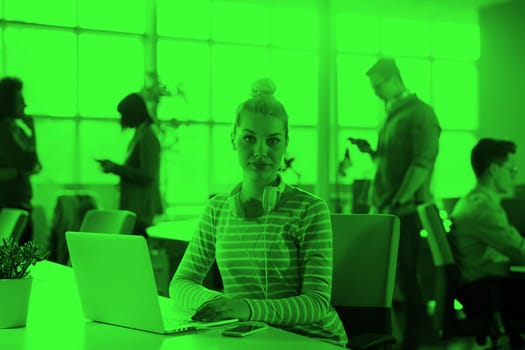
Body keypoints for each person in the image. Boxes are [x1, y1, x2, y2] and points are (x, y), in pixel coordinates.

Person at [169, 95, 348, 347]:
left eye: (273, 140)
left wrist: (243, 308)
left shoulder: (310, 209)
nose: (260, 151)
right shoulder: (217, 209)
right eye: (249, 138)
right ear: (233, 138)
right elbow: (181, 283)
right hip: (250, 338)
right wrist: (219, 305)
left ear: (286, 143)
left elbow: (316, 304)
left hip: (311, 340)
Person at [350, 58, 441, 350]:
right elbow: (389, 163)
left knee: (407, 278)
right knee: (391, 279)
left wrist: (399, 201)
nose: (375, 92)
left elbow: (422, 164)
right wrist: (371, 153)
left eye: (378, 86)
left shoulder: (421, 114)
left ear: (393, 79)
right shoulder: (392, 114)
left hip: (404, 212)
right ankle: (404, 338)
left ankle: (417, 341)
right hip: (388, 210)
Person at [450, 138, 525, 349]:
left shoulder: (475, 201)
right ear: (493, 169)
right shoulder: (483, 209)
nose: (514, 174)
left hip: (486, 287)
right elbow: (521, 253)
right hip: (488, 292)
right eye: (512, 168)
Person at [97, 93, 163, 236]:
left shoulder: (148, 137)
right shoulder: (139, 135)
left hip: (141, 210)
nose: (121, 119)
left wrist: (116, 168)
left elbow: (148, 174)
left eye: (123, 114)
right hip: (135, 207)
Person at [0, 77, 41, 245]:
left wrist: (32, 132)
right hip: (8, 204)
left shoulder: (17, 131)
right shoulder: (4, 132)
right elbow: (30, 163)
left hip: (22, 203)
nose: (24, 104)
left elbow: (36, 165)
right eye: (19, 100)